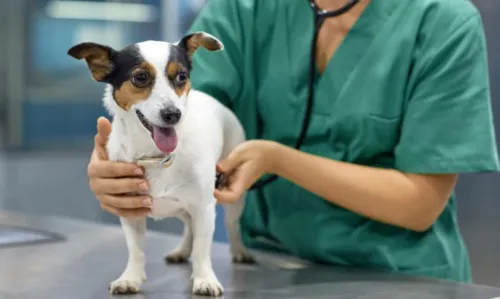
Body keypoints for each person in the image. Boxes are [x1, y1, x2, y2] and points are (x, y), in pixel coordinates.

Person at [87, 0, 500, 283]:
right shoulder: (244, 8)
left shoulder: (442, 20)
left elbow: (421, 203)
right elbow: (188, 109)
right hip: (268, 267)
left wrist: (279, 160)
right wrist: (119, 159)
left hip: (401, 277)